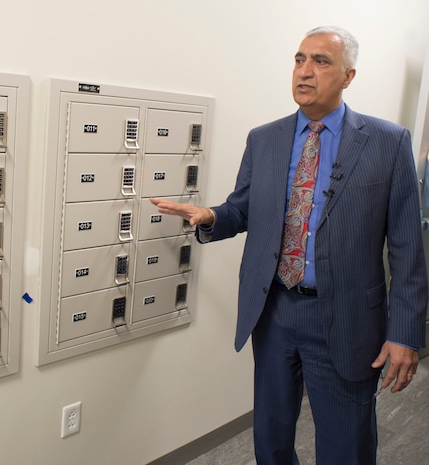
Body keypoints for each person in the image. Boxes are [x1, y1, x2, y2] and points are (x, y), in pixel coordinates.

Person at [151, 26, 428, 464]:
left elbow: (409, 250)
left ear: (348, 76)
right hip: (274, 311)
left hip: (346, 315)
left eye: (321, 62)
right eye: (300, 59)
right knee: (272, 435)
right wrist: (210, 217)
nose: (305, 71)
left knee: (346, 445)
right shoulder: (265, 139)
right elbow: (242, 208)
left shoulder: (387, 143)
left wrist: (405, 334)